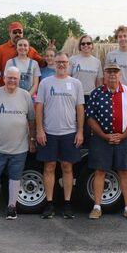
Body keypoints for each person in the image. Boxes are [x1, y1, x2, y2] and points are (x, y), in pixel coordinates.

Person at [0, 66, 36, 220]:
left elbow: (31, 120)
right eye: (9, 77)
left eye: (15, 78)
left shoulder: (25, 96)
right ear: (4, 78)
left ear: (19, 80)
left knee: (15, 177)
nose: (12, 80)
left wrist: (32, 140)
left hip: (19, 148)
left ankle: (12, 207)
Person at [86, 63, 127, 220]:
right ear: (105, 74)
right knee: (100, 171)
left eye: (115, 72)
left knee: (124, 171)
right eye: (109, 72)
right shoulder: (96, 93)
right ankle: (97, 207)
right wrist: (104, 135)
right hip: (100, 139)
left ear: (120, 74)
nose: (112, 75)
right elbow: (90, 118)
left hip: (123, 139)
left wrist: (123, 136)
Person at [36, 52, 84, 219]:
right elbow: (39, 108)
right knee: (49, 167)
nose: (61, 64)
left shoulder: (76, 83)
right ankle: (49, 204)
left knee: (67, 167)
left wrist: (80, 131)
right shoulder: (45, 83)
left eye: (64, 62)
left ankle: (67, 204)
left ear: (69, 64)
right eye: (58, 62)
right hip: (49, 132)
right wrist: (39, 130)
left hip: (69, 132)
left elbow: (80, 109)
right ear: (53, 63)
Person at [69, 34, 103, 146]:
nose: (86, 45)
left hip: (90, 97)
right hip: (75, 97)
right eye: (83, 43)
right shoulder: (73, 60)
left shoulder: (96, 62)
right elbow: (67, 79)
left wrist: (98, 100)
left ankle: (86, 153)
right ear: (80, 46)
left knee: (88, 126)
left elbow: (99, 83)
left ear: (92, 46)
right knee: (74, 124)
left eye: (88, 43)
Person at [0, 21, 44, 87]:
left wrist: (50, 52)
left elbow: (43, 63)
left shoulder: (31, 50)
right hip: (6, 90)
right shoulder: (0, 49)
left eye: (20, 32)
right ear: (10, 33)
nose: (17, 34)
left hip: (27, 93)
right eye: (15, 32)